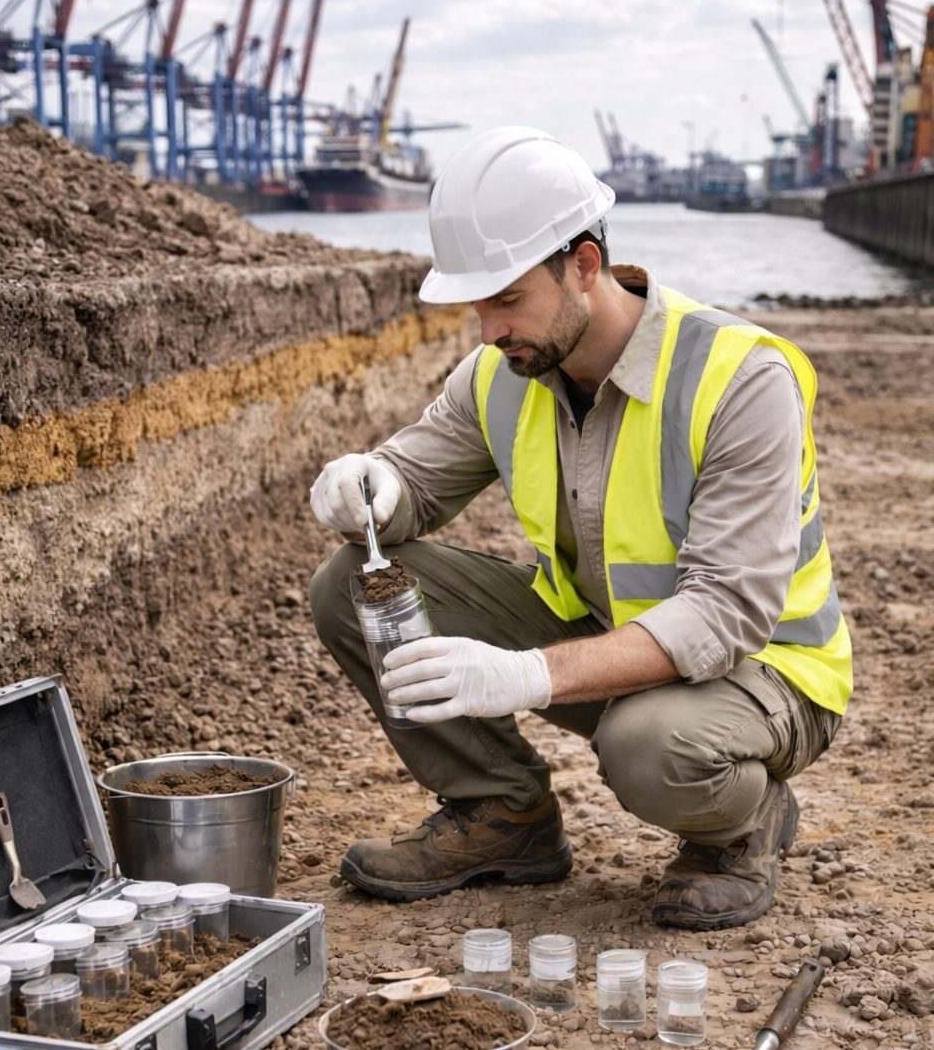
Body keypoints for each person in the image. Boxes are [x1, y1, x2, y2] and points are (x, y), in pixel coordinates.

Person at [308, 126, 852, 930]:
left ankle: (742, 827)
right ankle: (503, 817)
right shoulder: (507, 370)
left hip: (766, 673)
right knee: (355, 585)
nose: (487, 329)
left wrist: (526, 675)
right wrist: (372, 485)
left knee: (648, 745)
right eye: (476, 304)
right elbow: (416, 479)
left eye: (506, 298)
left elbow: (725, 615)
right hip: (618, 639)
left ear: (585, 267)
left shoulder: (741, 378)